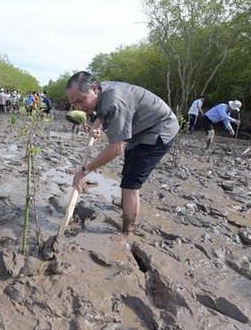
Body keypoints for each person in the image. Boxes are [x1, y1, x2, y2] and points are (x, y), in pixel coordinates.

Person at [66, 71, 179, 234]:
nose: (79, 107)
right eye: (74, 103)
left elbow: (116, 148)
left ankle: (127, 231)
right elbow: (103, 111)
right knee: (129, 168)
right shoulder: (102, 90)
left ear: (94, 88)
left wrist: (84, 171)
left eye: (80, 100)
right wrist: (97, 124)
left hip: (159, 129)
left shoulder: (115, 100)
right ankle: (126, 204)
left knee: (130, 183)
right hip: (139, 128)